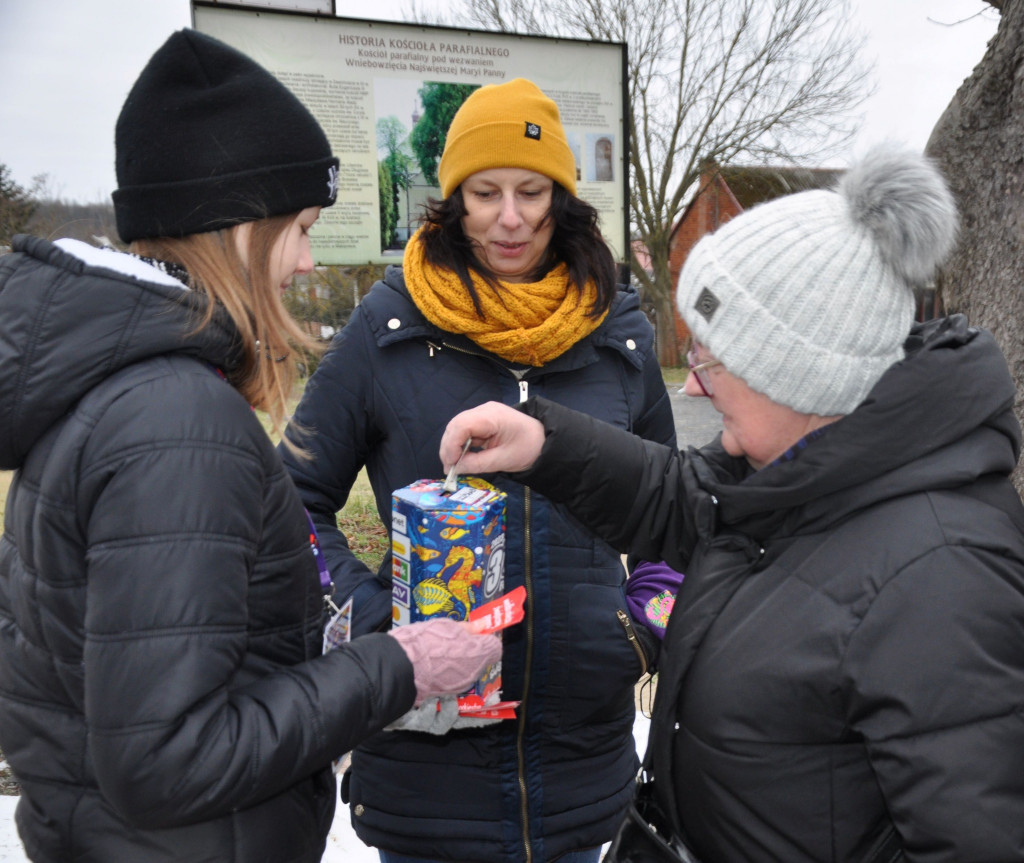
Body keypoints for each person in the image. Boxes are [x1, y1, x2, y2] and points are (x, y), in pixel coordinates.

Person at [440, 147, 1024, 861]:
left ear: (802, 375)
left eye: (712, 361)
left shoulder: (943, 577)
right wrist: (544, 445)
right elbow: (682, 498)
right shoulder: (792, 473)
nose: (692, 387)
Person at [0, 30, 500, 863]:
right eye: (298, 227)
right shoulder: (176, 424)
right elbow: (164, 758)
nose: (306, 261)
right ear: (234, 227)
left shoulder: (126, 392)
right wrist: (396, 665)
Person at [279, 78, 678, 862]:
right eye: (485, 191)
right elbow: (286, 503)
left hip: (579, 770)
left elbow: (677, 511)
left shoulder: (619, 332)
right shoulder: (386, 326)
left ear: (561, 197)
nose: (510, 216)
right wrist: (376, 627)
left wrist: (639, 631)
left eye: (532, 191)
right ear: (452, 198)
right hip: (426, 770)